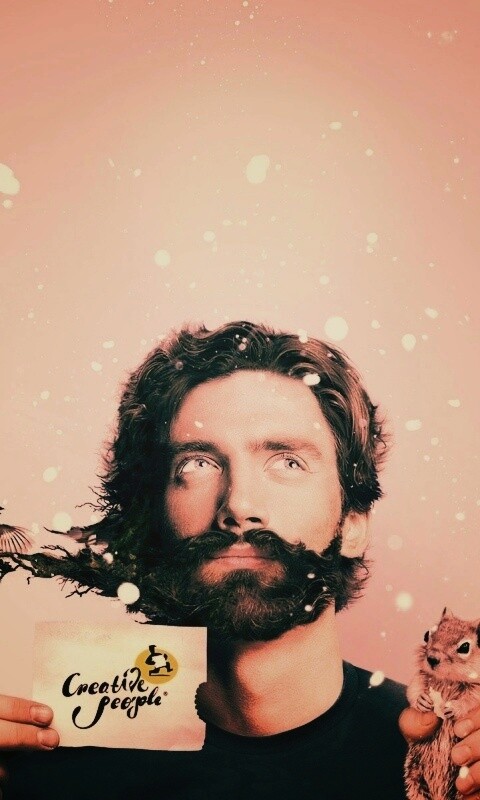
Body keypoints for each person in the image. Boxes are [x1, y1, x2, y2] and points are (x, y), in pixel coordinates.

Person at [1, 320, 479, 799]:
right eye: (197, 463)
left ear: (353, 524)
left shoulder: (444, 763)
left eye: (288, 462)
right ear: (153, 518)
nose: (239, 505)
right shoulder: (50, 768)